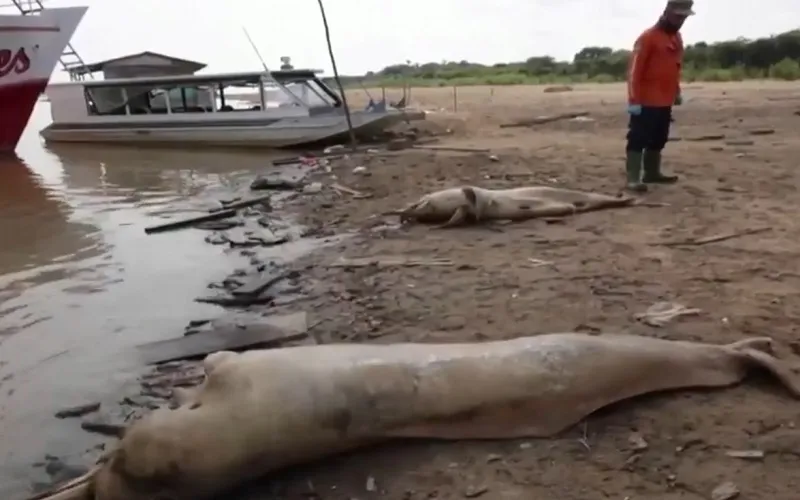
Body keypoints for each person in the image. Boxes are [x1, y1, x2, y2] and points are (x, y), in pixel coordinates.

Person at [624, 0, 694, 192]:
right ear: (667, 11)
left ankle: (652, 173)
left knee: (659, 138)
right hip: (645, 100)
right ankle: (633, 178)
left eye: (685, 16)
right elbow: (633, 72)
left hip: (664, 100)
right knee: (638, 138)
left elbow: (675, 67)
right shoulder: (647, 37)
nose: (681, 20)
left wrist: (677, 91)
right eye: (678, 15)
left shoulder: (676, 38)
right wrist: (633, 100)